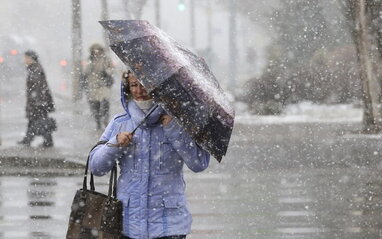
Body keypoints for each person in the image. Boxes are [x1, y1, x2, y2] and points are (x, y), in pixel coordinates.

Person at [89, 71, 210, 239]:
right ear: (127, 88)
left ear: (158, 87)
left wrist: (174, 130)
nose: (139, 91)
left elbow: (198, 163)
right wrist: (114, 144)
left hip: (170, 227)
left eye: (145, 84)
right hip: (127, 225)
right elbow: (96, 167)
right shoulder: (120, 123)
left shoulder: (179, 122)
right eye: (133, 85)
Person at [17, 50, 56, 148]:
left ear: (31, 58)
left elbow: (37, 86)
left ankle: (47, 141)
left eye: (26, 57)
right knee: (35, 120)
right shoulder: (34, 68)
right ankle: (28, 139)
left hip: (38, 101)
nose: (24, 60)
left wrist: (37, 100)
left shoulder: (35, 69)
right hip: (38, 100)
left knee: (40, 121)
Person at [83, 43, 114, 130]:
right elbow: (85, 73)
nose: (96, 53)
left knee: (105, 104)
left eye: (98, 51)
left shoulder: (106, 60)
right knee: (94, 106)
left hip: (103, 86)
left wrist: (106, 72)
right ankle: (98, 122)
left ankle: (105, 120)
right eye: (94, 51)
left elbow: (111, 70)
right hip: (92, 86)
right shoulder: (89, 61)